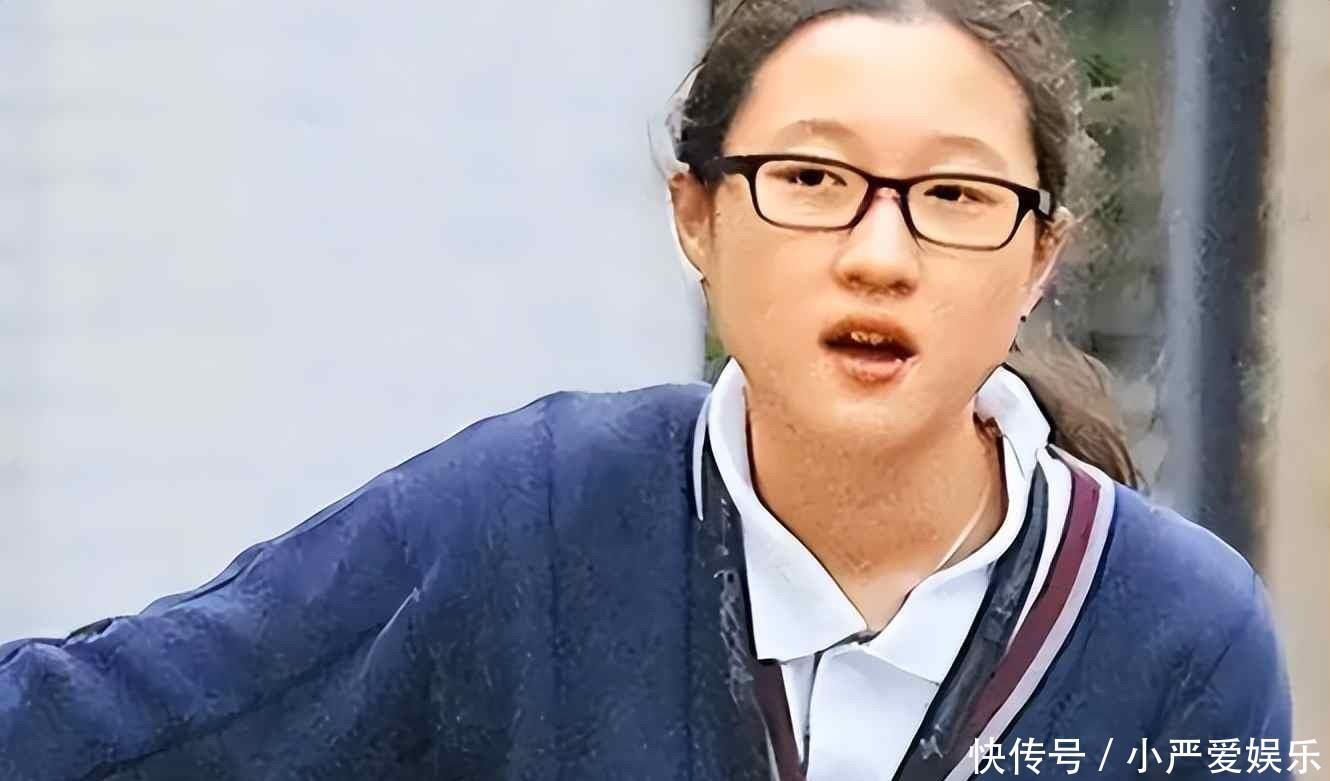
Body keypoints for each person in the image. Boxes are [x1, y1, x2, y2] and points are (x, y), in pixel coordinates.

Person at [0, 1, 1291, 779]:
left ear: (1040, 256)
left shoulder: (1177, 631)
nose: (879, 255)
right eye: (811, 179)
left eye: (954, 195)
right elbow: (100, 730)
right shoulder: (524, 526)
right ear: (695, 215)